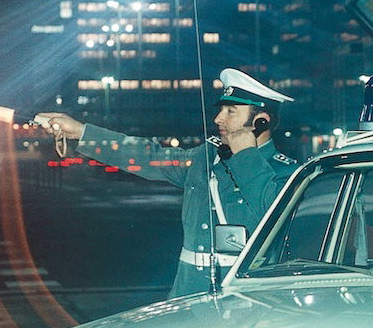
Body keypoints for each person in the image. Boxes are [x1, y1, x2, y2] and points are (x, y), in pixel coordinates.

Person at [34, 68, 299, 298]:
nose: (218, 119)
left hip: (246, 295)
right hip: (187, 291)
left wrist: (246, 158)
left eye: (231, 111)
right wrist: (82, 132)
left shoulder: (289, 174)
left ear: (261, 121)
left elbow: (275, 214)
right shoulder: (205, 158)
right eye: (221, 110)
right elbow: (150, 157)